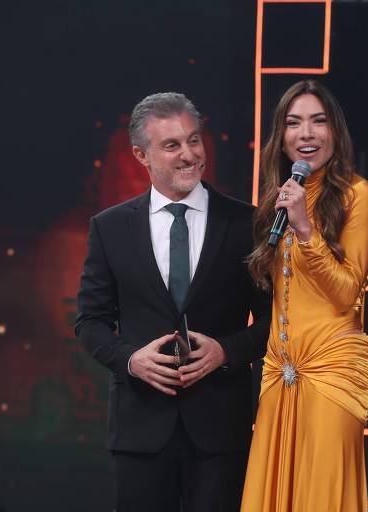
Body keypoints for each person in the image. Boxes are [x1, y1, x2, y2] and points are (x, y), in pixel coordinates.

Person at [75, 91, 271, 512]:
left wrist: (226, 351)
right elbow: (90, 322)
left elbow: (278, 321)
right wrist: (130, 359)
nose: (189, 155)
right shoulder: (109, 228)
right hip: (140, 430)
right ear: (140, 155)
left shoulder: (247, 224)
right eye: (172, 145)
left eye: (194, 140)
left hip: (221, 430)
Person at [241, 80, 368, 511]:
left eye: (318, 121)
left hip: (332, 369)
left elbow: (345, 293)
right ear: (281, 139)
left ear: (335, 133)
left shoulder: (360, 196)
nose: (306, 133)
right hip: (278, 371)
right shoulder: (278, 201)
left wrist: (306, 228)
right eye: (294, 123)